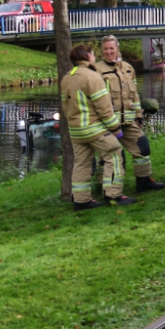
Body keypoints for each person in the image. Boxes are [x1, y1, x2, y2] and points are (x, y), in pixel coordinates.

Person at [60, 45, 134, 210]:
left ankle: (81, 200)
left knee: (82, 163)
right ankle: (113, 194)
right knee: (114, 154)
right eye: (93, 54)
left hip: (76, 130)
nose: (95, 56)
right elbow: (104, 107)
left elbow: (65, 106)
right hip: (94, 128)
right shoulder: (92, 77)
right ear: (87, 56)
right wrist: (115, 128)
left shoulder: (67, 77)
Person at [94, 36, 165, 193]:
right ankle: (105, 187)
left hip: (128, 122)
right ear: (101, 51)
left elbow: (134, 95)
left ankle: (144, 182)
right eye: (105, 49)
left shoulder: (127, 68)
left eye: (111, 48)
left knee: (142, 147)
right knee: (111, 156)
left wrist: (139, 115)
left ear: (117, 49)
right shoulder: (96, 70)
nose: (108, 52)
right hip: (107, 123)